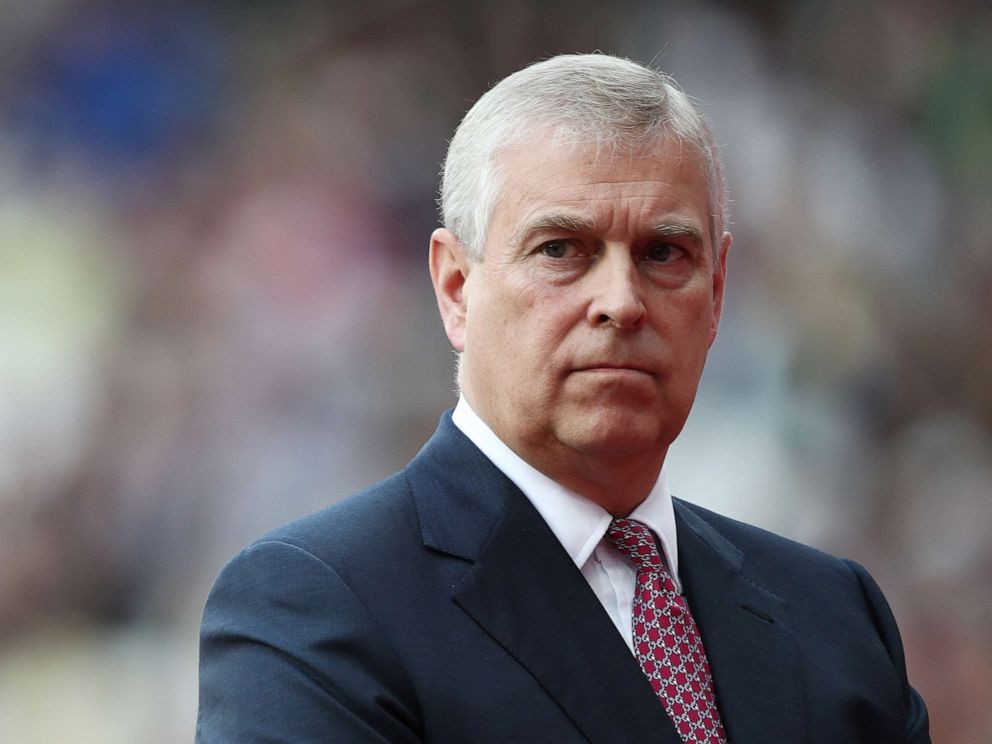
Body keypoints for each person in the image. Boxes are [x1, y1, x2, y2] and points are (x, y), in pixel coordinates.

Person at [196, 54, 930, 743]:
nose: (621, 302)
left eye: (664, 254)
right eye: (560, 250)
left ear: (717, 293)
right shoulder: (315, 607)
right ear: (456, 287)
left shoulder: (835, 616)